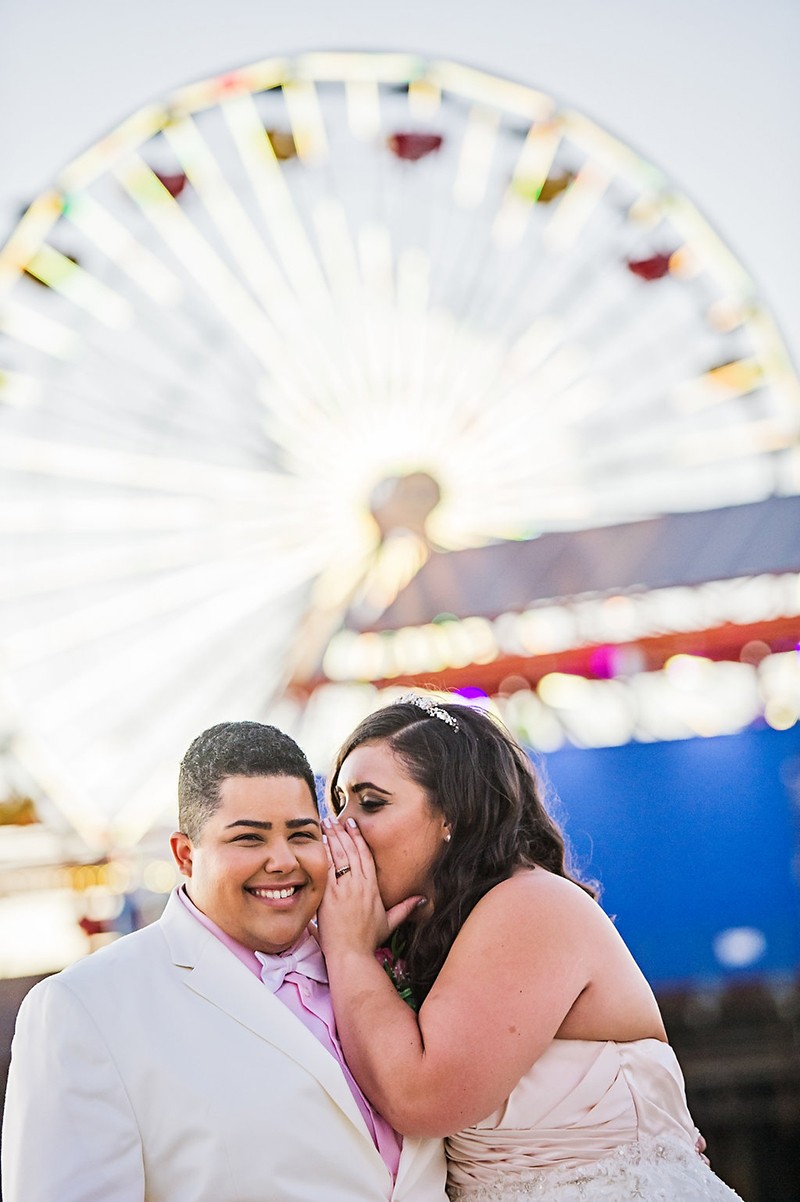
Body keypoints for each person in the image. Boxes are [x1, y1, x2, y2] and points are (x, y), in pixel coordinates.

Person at [317, 694, 745, 1201]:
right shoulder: (416, 936)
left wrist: (349, 952)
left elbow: (421, 1097)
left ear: (453, 813)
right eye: (338, 803)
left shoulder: (530, 904)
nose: (340, 827)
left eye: (370, 802)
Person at [1, 721, 447, 1202]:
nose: (283, 861)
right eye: (249, 839)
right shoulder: (85, 1008)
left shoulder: (389, 959)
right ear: (185, 856)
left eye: (302, 834)